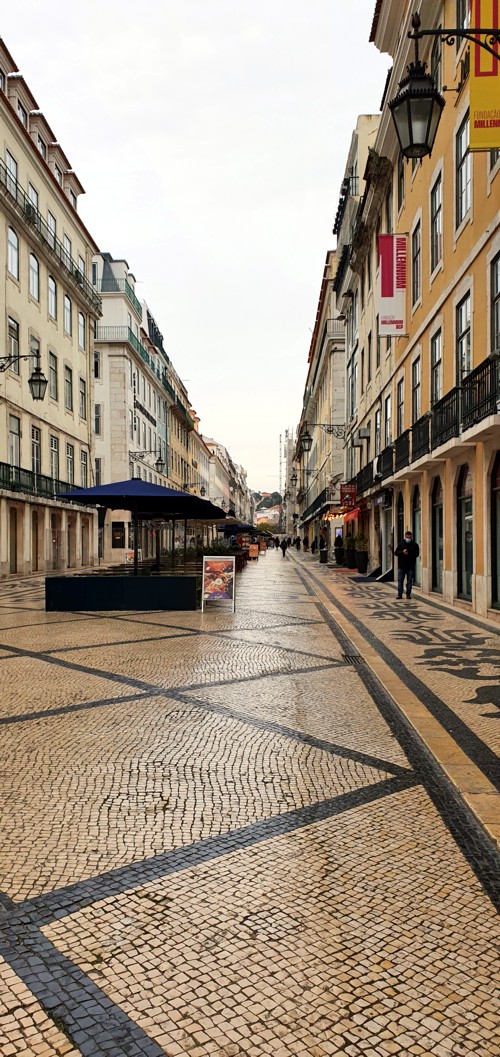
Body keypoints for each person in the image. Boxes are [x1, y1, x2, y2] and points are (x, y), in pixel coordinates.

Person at [394, 530, 419, 598]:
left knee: (409, 581)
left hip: (410, 566)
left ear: (411, 537)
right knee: (400, 580)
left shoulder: (415, 545)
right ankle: (400, 594)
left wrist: (409, 553)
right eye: (407, 537)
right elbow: (396, 553)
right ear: (405, 537)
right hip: (401, 566)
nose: (408, 539)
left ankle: (408, 594)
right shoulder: (401, 544)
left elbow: (416, 554)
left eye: (409, 537)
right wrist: (402, 552)